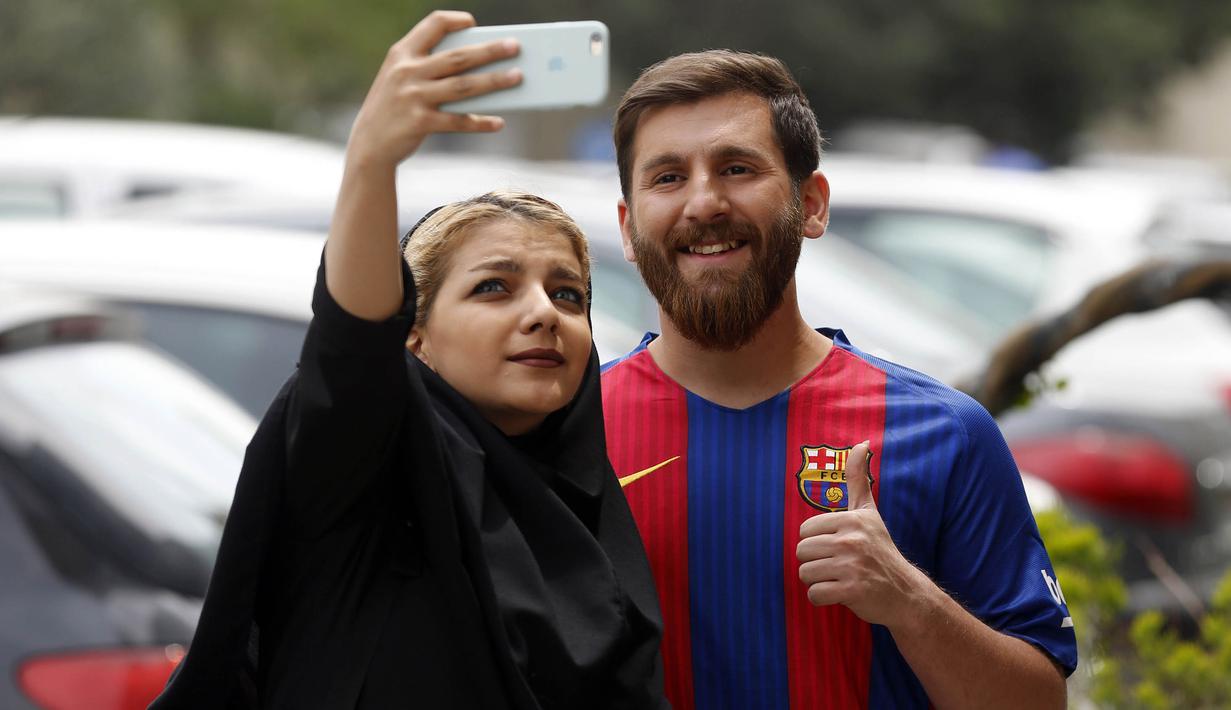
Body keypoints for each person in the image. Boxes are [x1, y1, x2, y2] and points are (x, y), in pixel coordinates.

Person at [152, 11, 664, 709]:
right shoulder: (373, 476)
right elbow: (353, 343)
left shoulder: (588, 510)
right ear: (414, 336)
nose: (544, 312)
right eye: (493, 287)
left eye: (568, 294)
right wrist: (372, 157)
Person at [600, 50, 1077, 709]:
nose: (703, 202)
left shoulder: (945, 433)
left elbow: (1037, 703)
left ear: (811, 204)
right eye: (667, 177)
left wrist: (908, 600)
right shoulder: (570, 431)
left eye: (736, 169)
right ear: (629, 229)